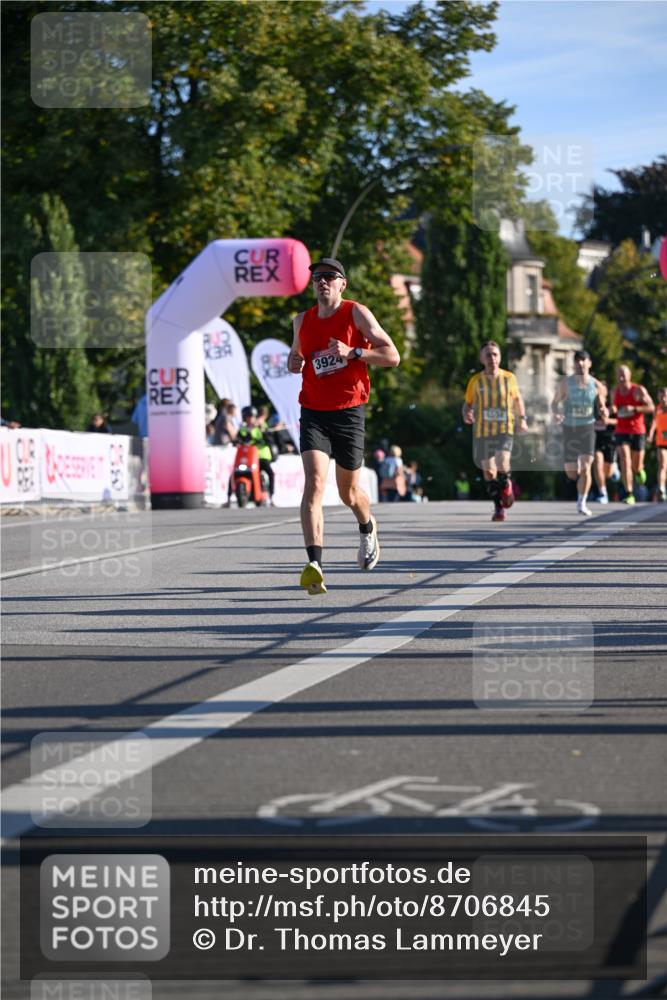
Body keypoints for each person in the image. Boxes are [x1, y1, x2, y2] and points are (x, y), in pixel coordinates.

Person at [288, 256, 400, 595]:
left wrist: (354, 353)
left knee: (348, 492)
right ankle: (314, 564)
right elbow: (297, 360)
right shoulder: (301, 321)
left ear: (342, 284)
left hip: (349, 412)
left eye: (329, 277)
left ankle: (367, 527)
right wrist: (294, 362)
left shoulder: (356, 313)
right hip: (313, 411)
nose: (322, 281)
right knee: (315, 482)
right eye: (317, 277)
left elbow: (392, 356)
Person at [462, 341, 527, 522]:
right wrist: (466, 413)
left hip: (504, 429)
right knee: (489, 472)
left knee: (501, 461)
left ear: (500, 357)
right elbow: (467, 404)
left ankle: (507, 485)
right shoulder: (475, 381)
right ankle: (499, 508)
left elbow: (518, 400)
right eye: (488, 355)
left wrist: (522, 419)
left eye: (495, 354)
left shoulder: (509, 378)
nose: (492, 358)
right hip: (483, 432)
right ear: (482, 359)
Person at [552, 349, 606, 517]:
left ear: (589, 363)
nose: (580, 363)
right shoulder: (566, 384)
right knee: (572, 472)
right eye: (577, 360)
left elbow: (602, 405)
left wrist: (604, 410)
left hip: (587, 429)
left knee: (585, 468)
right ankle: (580, 491)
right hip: (570, 429)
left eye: (583, 360)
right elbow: (554, 403)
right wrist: (556, 413)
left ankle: (581, 502)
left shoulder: (597, 385)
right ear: (574, 364)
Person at [612, 365, 655, 504]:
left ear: (630, 375)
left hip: (637, 431)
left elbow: (651, 407)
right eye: (619, 374)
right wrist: (611, 409)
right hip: (621, 430)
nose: (621, 376)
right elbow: (614, 407)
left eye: (623, 373)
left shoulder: (638, 390)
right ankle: (629, 493)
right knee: (625, 460)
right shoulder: (615, 392)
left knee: (636, 466)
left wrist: (635, 408)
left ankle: (638, 471)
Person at [592, 383, 616, 503]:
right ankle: (603, 492)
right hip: (596, 439)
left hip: (609, 439)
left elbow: (620, 422)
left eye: (600, 389)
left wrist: (608, 421)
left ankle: (614, 467)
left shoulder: (612, 406)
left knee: (608, 473)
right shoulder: (590, 407)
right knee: (597, 462)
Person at [648, 386, 667, 502]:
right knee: (663, 465)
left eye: (665, 395)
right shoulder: (657, 409)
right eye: (661, 396)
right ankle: (661, 488)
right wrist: (650, 434)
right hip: (661, 441)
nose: (663, 398)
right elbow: (654, 422)